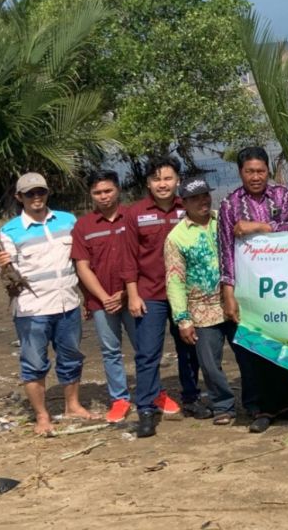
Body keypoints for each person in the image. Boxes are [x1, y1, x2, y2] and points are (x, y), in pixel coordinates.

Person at [218, 146, 288, 434]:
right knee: (252, 349)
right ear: (240, 172)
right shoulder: (229, 205)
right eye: (250, 171)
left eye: (260, 171)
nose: (256, 177)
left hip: (281, 286)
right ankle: (259, 408)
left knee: (283, 344)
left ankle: (284, 404)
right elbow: (225, 250)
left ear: (268, 171)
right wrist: (228, 293)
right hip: (248, 288)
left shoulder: (283, 196)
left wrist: (259, 226)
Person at [0, 173, 91, 436]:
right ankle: (42, 415)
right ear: (19, 197)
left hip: (67, 303)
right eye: (29, 194)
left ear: (47, 193)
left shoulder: (68, 220)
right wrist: (4, 266)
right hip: (32, 309)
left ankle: (73, 405)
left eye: (40, 192)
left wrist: (87, 298)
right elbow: (7, 277)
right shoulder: (8, 232)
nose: (36, 198)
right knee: (34, 363)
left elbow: (80, 259)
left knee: (71, 357)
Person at [122, 157, 204, 438]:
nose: (163, 184)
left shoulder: (190, 208)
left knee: (190, 349)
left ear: (178, 180)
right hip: (151, 295)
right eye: (157, 179)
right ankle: (145, 409)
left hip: (186, 293)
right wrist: (133, 294)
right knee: (147, 354)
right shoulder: (135, 213)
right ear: (148, 183)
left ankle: (192, 399)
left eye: (168, 178)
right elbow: (129, 258)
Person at [164, 177, 237, 426]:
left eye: (205, 195)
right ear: (183, 202)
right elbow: (175, 280)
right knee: (209, 363)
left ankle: (255, 402)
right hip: (201, 308)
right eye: (194, 198)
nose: (202, 201)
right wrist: (182, 319)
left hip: (234, 302)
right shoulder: (176, 237)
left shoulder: (226, 221)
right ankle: (223, 405)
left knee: (248, 357)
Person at [71, 170, 135, 423]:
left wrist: (124, 293)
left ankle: (153, 392)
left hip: (133, 296)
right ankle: (119, 398)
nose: (104, 196)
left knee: (145, 348)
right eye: (97, 192)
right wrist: (103, 296)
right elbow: (82, 266)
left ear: (118, 189)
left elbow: (143, 256)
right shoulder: (83, 225)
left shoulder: (131, 217)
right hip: (101, 301)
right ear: (90, 195)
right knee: (110, 350)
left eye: (108, 190)